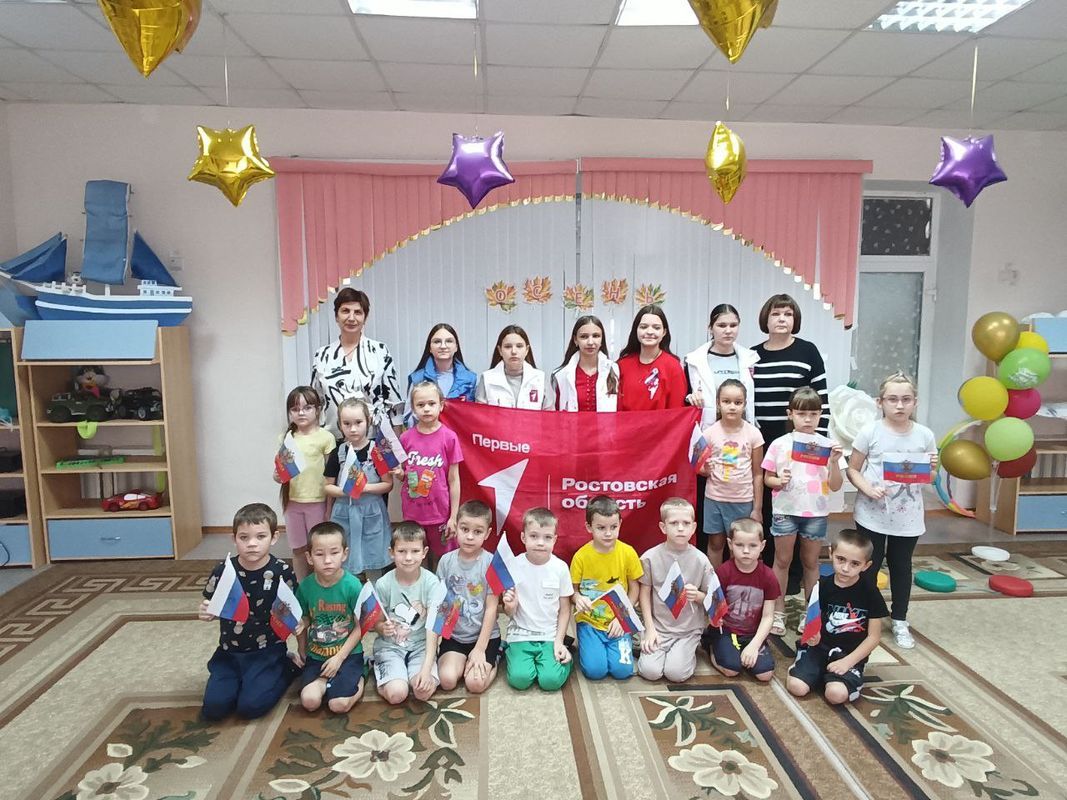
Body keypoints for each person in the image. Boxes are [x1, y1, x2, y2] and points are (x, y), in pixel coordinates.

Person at [846, 372, 937, 650]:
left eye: (906, 399)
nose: (899, 405)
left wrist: (932, 469)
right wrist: (867, 488)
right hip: (872, 514)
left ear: (915, 402)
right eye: (893, 399)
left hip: (907, 517)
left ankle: (899, 619)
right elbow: (853, 469)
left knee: (901, 566)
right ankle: (864, 616)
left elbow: (930, 477)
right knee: (868, 567)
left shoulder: (924, 435)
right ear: (880, 402)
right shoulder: (870, 432)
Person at [751, 294, 829, 574]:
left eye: (788, 314)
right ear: (766, 318)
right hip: (762, 442)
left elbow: (821, 401)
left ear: (795, 319)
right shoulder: (752, 355)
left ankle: (795, 573)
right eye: (776, 314)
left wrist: (817, 443)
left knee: (799, 504)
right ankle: (770, 571)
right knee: (769, 507)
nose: (782, 319)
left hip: (800, 444)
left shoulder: (808, 352)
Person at [199, 503, 299, 721]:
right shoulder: (224, 570)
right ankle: (238, 680)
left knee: (251, 707)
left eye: (260, 536)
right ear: (234, 538)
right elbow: (211, 604)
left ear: (274, 537)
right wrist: (208, 612)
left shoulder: (282, 571)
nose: (252, 544)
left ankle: (286, 667)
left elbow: (292, 610)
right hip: (229, 652)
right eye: (244, 537)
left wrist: (296, 628)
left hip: (267, 652)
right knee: (214, 709)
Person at [762, 387, 843, 637]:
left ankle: (811, 612)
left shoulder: (828, 445)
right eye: (801, 414)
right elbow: (767, 479)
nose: (808, 420)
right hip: (785, 510)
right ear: (790, 414)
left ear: (821, 415)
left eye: (813, 414)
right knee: (782, 561)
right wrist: (779, 480)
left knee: (811, 562)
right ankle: (777, 611)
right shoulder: (779, 444)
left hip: (815, 512)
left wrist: (834, 462)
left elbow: (836, 485)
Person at [787, 528, 888, 705]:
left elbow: (873, 637)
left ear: (866, 566)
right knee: (797, 687)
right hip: (819, 649)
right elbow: (813, 621)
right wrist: (812, 636)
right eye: (841, 559)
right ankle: (807, 662)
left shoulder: (871, 593)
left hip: (849, 654)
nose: (846, 568)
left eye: (855, 563)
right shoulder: (822, 586)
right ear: (830, 554)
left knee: (835, 695)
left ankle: (839, 678)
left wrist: (848, 662)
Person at [637, 498, 712, 683]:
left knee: (676, 674)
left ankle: (689, 649)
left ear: (693, 527)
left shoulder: (701, 560)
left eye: (686, 523)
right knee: (650, 672)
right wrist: (649, 629)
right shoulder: (649, 557)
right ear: (663, 527)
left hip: (688, 629)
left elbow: (713, 599)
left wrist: (698, 596)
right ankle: (645, 641)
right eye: (674, 523)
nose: (680, 528)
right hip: (659, 627)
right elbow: (644, 594)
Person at [310, 287, 404, 434]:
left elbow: (394, 401)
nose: (351, 318)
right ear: (336, 316)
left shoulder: (379, 351)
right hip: (333, 438)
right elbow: (315, 403)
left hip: (374, 437)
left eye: (358, 312)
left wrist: (396, 438)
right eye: (345, 311)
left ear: (365, 318)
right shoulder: (322, 355)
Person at [294, 521, 365, 714]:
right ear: (309, 557)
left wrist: (339, 658)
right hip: (317, 654)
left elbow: (361, 626)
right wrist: (301, 643)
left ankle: (360, 677)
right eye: (319, 554)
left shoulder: (353, 586)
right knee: (309, 701)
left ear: (345, 553)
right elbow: (305, 618)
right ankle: (325, 681)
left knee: (338, 705)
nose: (327, 560)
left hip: (348, 654)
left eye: (334, 553)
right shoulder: (305, 586)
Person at [570, 495, 644, 680]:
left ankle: (625, 640)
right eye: (601, 528)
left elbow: (635, 589)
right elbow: (572, 590)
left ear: (620, 524)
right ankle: (586, 646)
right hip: (589, 622)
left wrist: (623, 618)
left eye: (613, 527)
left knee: (622, 671)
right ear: (589, 527)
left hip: (618, 620)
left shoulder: (628, 553)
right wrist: (578, 598)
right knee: (595, 671)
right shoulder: (581, 557)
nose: (608, 533)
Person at [501, 508, 574, 691]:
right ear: (523, 537)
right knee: (519, 680)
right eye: (534, 536)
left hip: (550, 635)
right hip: (520, 634)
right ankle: (515, 655)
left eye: (547, 537)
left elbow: (565, 610)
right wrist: (510, 605)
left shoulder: (560, 568)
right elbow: (509, 612)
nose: (540, 543)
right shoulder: (514, 565)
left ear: (554, 540)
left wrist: (558, 641)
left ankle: (567, 655)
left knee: (550, 681)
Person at [371, 522, 442, 704]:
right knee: (397, 694)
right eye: (402, 551)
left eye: (415, 551)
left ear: (424, 552)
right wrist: (382, 628)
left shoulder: (432, 583)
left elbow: (433, 628)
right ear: (391, 552)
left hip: (422, 646)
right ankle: (382, 672)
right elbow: (376, 623)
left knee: (422, 692)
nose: (408, 558)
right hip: (390, 646)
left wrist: (426, 668)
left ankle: (411, 672)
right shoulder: (383, 584)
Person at [436, 500, 502, 694]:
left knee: (475, 684)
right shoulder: (446, 561)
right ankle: (461, 660)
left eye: (478, 532)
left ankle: (497, 654)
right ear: (456, 527)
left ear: (487, 534)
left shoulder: (492, 563)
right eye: (465, 529)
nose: (470, 537)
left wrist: (480, 649)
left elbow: (491, 608)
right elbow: (441, 606)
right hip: (455, 637)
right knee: (447, 681)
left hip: (486, 637)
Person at [323, 397, 393, 582]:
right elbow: (327, 487)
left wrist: (365, 488)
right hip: (344, 512)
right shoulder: (338, 452)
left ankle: (375, 596)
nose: (353, 429)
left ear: (368, 422)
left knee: (373, 558)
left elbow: (388, 484)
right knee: (345, 559)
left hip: (372, 513)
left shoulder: (377, 451)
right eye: (347, 424)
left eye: (358, 423)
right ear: (340, 425)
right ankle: (350, 594)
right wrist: (346, 491)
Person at [698, 379, 764, 568]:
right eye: (726, 401)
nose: (732, 407)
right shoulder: (708, 433)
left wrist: (757, 508)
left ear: (745, 404)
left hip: (742, 500)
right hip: (714, 499)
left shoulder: (753, 434)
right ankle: (715, 583)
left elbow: (758, 474)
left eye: (738, 402)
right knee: (715, 544)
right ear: (718, 403)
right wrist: (705, 470)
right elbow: (699, 467)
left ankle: (739, 583)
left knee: (741, 548)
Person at [399, 381, 464, 567]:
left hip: (440, 514)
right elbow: (404, 475)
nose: (426, 409)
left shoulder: (449, 437)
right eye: (420, 405)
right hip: (413, 514)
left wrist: (453, 516)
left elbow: (454, 479)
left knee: (443, 560)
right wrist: (399, 473)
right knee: (415, 557)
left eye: (431, 403)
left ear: (441, 405)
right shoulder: (405, 438)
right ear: (413, 408)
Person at [707, 518, 779, 682]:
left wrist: (754, 645)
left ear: (762, 546)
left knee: (765, 675)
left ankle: (745, 649)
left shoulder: (768, 576)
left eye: (752, 545)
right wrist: (714, 618)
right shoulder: (723, 572)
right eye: (739, 545)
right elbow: (714, 606)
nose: (746, 551)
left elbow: (768, 616)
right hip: (726, 631)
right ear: (730, 544)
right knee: (732, 669)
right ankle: (711, 645)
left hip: (752, 633)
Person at [275, 386, 335, 580]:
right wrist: (277, 476)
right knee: (298, 548)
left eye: (307, 407)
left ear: (317, 409)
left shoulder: (326, 438)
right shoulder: (286, 438)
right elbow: (280, 473)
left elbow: (331, 477)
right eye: (295, 409)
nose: (301, 413)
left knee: (318, 548)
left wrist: (329, 508)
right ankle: (301, 587)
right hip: (292, 503)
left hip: (317, 502)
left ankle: (321, 585)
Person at [685, 304, 759, 427]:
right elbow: (685, 398)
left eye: (733, 325)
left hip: (742, 429)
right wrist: (690, 398)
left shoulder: (750, 359)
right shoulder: (694, 361)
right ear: (710, 328)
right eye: (722, 325)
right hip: (708, 429)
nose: (728, 331)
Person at [616, 305, 687, 411]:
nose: (649, 332)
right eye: (644, 327)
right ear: (636, 330)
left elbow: (677, 412)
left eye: (656, 328)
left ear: (664, 332)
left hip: (662, 422)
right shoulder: (622, 365)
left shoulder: (673, 366)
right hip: (625, 422)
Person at [405, 323, 477, 425]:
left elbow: (474, 417)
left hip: (460, 435)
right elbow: (408, 419)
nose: (443, 346)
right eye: (437, 341)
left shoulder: (470, 379)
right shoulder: (417, 379)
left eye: (449, 341)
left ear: (456, 347)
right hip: (425, 434)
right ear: (430, 348)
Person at [476, 325, 553, 409]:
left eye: (519, 346)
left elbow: (549, 415)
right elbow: (480, 414)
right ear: (500, 350)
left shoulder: (540, 379)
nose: (513, 351)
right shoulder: (487, 379)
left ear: (527, 350)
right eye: (508, 346)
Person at [552, 315, 619, 412]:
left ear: (602, 339)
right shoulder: (561, 375)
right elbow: (557, 414)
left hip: (607, 423)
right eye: (584, 337)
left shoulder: (615, 370)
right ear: (575, 340)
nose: (590, 342)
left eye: (596, 336)